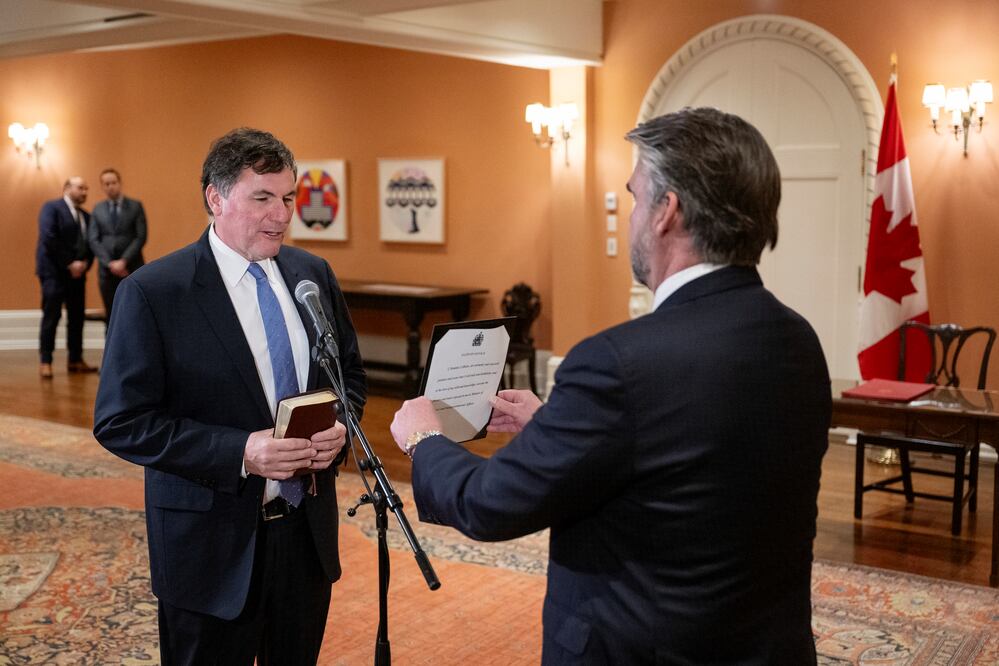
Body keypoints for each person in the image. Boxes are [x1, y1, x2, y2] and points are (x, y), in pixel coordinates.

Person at [391, 107, 831, 664]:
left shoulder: (618, 362)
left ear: (666, 212)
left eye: (634, 197)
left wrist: (425, 439)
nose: (629, 217)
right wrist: (557, 421)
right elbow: (694, 450)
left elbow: (490, 505)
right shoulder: (798, 339)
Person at [93, 128, 366, 665]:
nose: (281, 214)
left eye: (288, 198)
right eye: (262, 198)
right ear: (215, 198)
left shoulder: (312, 275)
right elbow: (121, 421)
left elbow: (348, 376)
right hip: (207, 547)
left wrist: (340, 428)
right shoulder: (154, 292)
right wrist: (242, 451)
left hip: (305, 536)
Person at [35, 176, 97, 378]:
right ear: (67, 188)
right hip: (54, 272)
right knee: (52, 316)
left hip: (78, 274)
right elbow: (48, 237)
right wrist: (70, 263)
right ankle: (46, 361)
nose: (84, 192)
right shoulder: (51, 208)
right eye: (80, 187)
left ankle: (75, 359)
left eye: (86, 188)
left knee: (77, 317)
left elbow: (91, 244)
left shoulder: (86, 216)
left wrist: (85, 264)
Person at [88, 167, 147, 319]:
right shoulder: (97, 209)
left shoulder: (135, 206)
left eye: (113, 182)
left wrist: (123, 261)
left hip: (132, 268)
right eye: (106, 184)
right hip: (107, 272)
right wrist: (110, 264)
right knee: (111, 315)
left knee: (135, 313)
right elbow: (93, 239)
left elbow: (140, 236)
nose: (110, 186)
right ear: (102, 186)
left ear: (119, 183)